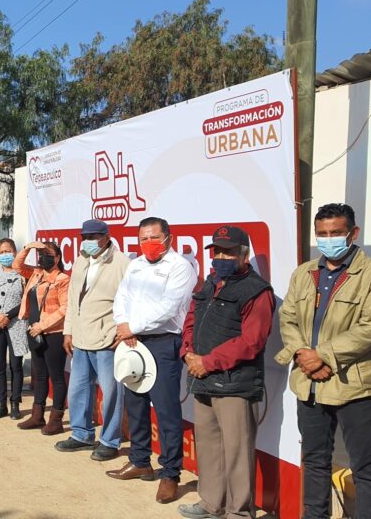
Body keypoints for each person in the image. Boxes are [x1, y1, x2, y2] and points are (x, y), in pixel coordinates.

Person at [274, 203, 371, 519]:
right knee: (314, 459)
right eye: (322, 234)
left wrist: (323, 355)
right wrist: (303, 354)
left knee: (364, 465)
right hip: (309, 383)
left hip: (354, 387)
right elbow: (287, 316)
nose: (329, 239)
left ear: (353, 233)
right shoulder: (304, 273)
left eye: (336, 233)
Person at [177, 226, 275, 519]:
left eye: (229, 251)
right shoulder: (211, 283)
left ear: (244, 255)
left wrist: (207, 362)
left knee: (237, 453)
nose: (221, 256)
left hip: (234, 384)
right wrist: (188, 353)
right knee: (208, 446)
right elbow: (191, 320)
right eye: (217, 251)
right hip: (203, 380)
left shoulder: (258, 291)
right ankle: (210, 503)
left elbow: (251, 341)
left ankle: (239, 512)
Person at [107, 216, 196, 505]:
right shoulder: (135, 265)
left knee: (168, 411)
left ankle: (170, 473)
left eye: (154, 238)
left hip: (162, 343)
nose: (148, 244)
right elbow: (121, 297)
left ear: (169, 238)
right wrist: (123, 324)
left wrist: (135, 326)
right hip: (132, 342)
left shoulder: (181, 267)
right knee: (135, 404)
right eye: (143, 239)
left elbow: (171, 306)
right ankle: (140, 460)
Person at [55, 219, 131, 461]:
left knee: (111, 392)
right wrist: (68, 331)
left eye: (94, 237)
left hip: (107, 339)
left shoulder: (122, 264)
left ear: (107, 237)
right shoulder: (80, 261)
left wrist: (123, 331)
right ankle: (81, 434)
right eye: (85, 237)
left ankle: (110, 440)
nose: (89, 242)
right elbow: (73, 299)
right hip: (80, 337)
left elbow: (131, 300)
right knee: (78, 389)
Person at [13, 240, 70, 435]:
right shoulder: (36, 274)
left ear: (58, 258)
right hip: (33, 331)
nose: (44, 257)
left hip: (53, 333)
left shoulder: (62, 279)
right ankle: (37, 416)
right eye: (42, 254)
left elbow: (65, 308)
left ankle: (56, 420)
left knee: (56, 377)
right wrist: (28, 248)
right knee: (40, 375)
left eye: (49, 254)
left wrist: (42, 326)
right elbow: (16, 266)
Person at [0, 238, 28, 420]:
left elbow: (25, 301)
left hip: (15, 324)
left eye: (8, 251)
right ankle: (1, 405)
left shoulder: (22, 275)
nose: (5, 255)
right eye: (1, 252)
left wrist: (9, 315)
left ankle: (15, 403)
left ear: (15, 252)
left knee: (16, 366)